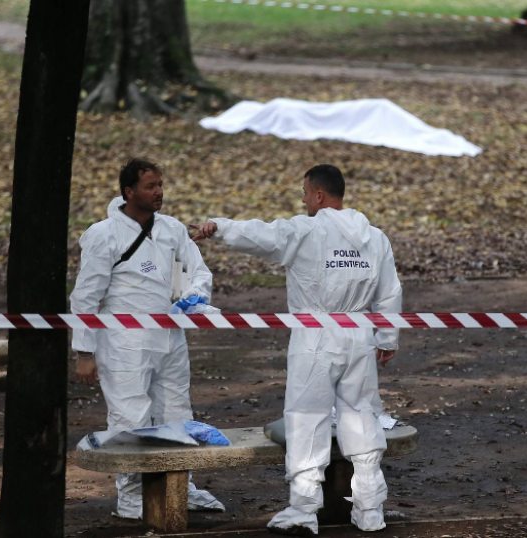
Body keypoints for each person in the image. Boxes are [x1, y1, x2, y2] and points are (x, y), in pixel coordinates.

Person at [190, 164, 402, 535]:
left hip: (315, 334)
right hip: (359, 335)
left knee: (307, 417)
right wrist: (386, 338)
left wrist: (219, 227)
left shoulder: (307, 230)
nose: (303, 199)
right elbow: (389, 293)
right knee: (362, 415)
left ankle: (304, 510)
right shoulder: (374, 237)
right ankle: (370, 510)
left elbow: (263, 234)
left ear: (319, 195)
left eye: (305, 192)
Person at [70, 158, 224, 519]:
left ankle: (179, 486)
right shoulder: (103, 234)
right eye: (150, 186)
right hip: (124, 342)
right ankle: (132, 495)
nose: (159, 192)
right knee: (130, 416)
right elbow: (86, 296)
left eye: (160, 185)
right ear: (129, 191)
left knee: (176, 411)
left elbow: (197, 270)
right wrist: (84, 350)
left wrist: (194, 297)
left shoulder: (172, 229)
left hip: (170, 337)